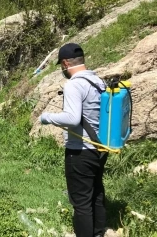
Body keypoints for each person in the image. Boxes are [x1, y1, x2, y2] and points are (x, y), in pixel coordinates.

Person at [39, 43, 108, 237]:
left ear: (65, 63)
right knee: (96, 192)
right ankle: (99, 232)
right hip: (99, 148)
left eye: (61, 66)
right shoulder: (98, 81)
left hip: (80, 151)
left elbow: (72, 118)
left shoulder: (74, 84)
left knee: (81, 202)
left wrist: (47, 117)